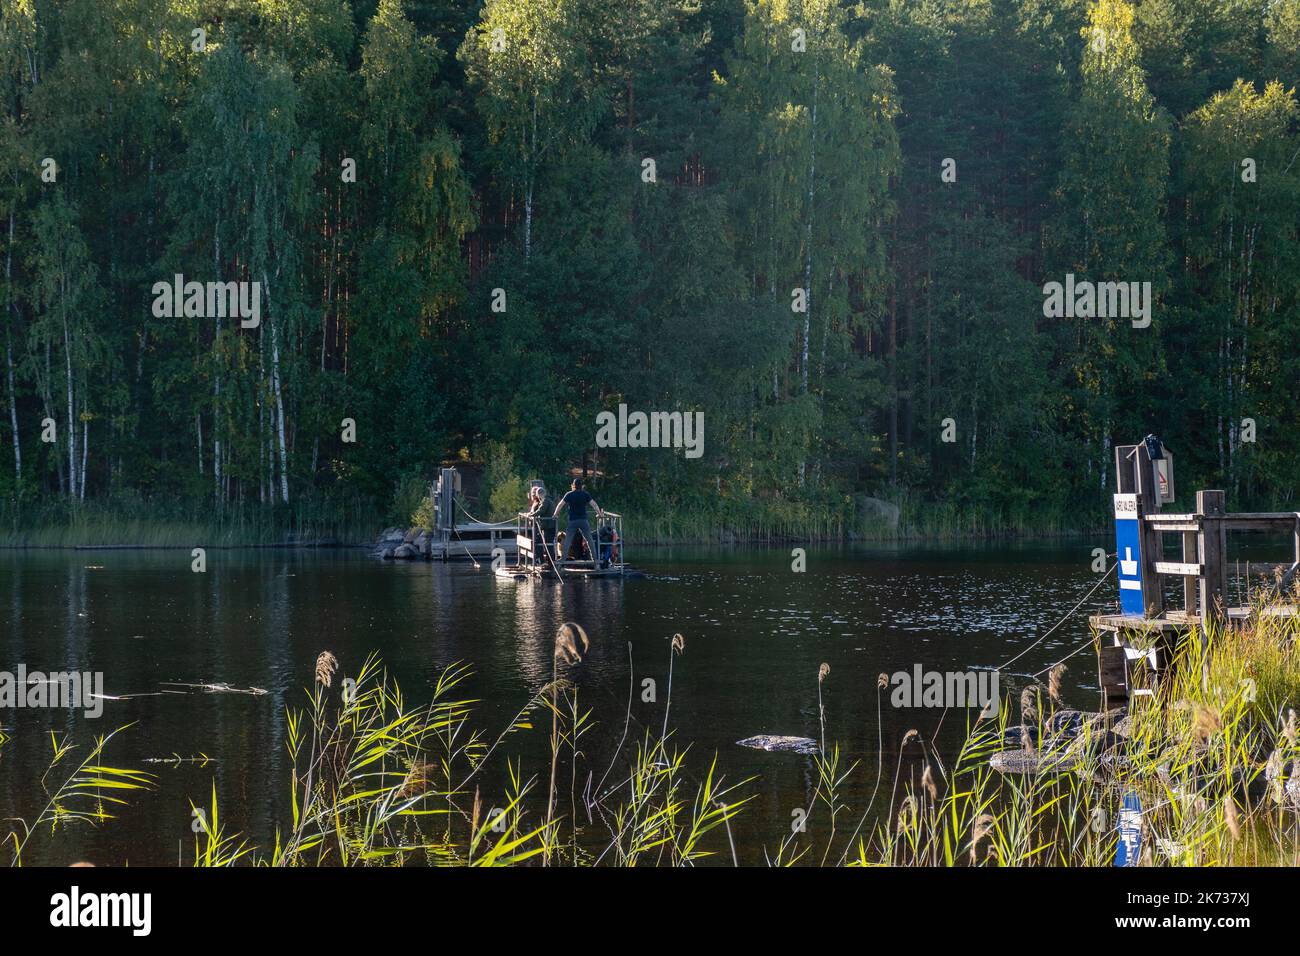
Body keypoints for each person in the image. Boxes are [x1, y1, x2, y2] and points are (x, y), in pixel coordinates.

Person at [553, 477, 603, 564]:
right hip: (583, 520)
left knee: (568, 540)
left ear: (573, 485)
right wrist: (599, 514)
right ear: (581, 486)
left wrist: (555, 514)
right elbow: (594, 504)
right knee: (589, 540)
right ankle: (595, 560)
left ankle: (562, 559)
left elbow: (560, 504)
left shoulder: (569, 494)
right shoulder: (585, 494)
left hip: (572, 521)